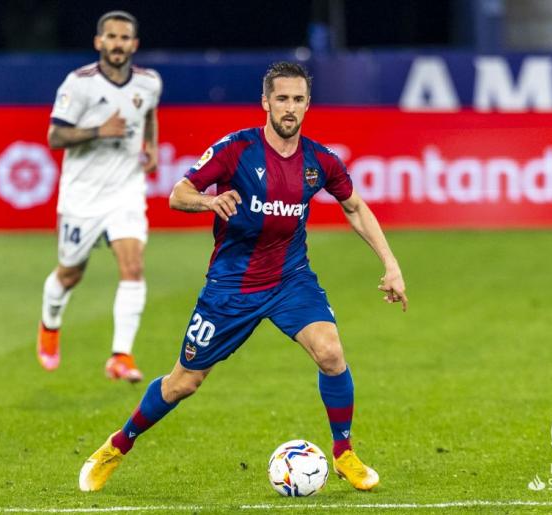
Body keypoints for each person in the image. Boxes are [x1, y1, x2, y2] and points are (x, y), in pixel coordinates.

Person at [79, 62, 407, 492]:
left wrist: (391, 264)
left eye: (298, 99)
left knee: (330, 353)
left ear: (308, 104)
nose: (290, 108)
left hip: (291, 278)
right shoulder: (235, 150)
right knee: (184, 382)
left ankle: (344, 453)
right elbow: (180, 193)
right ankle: (117, 445)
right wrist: (207, 203)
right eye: (282, 99)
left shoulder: (320, 160)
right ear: (266, 102)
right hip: (231, 288)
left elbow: (355, 207)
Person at [36, 10, 161, 382]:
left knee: (133, 267)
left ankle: (121, 356)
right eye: (111, 37)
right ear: (98, 42)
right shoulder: (79, 84)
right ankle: (50, 322)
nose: (118, 44)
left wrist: (151, 145)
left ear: (134, 45)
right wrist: (99, 130)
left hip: (126, 190)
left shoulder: (149, 82)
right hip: (82, 196)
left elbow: (150, 112)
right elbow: (55, 137)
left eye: (125, 38)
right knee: (70, 273)